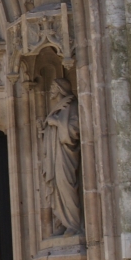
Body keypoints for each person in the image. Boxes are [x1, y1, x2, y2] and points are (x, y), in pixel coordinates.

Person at [40, 76, 82, 235]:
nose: (50, 89)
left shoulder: (72, 105)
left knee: (66, 184)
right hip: (55, 154)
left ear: (59, 89)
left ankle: (74, 224)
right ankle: (64, 222)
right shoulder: (59, 107)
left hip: (65, 154)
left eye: (53, 86)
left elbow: (75, 129)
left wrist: (56, 122)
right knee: (58, 185)